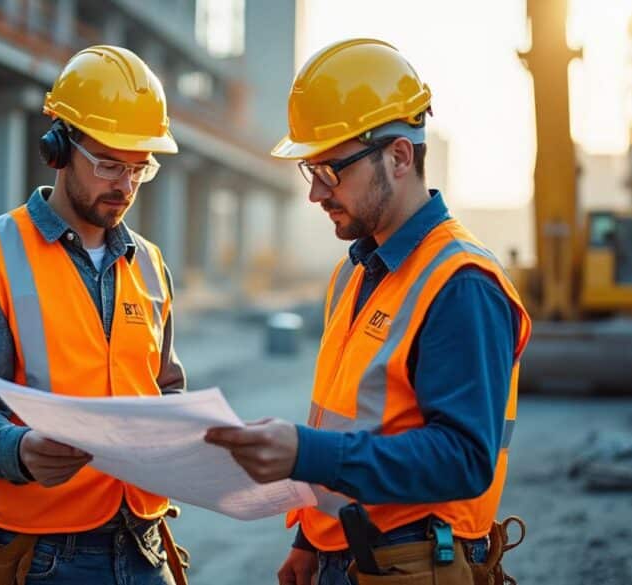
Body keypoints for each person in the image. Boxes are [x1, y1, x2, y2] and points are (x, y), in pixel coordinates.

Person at [205, 39, 532, 585]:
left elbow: (463, 459)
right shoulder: (355, 273)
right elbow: (353, 419)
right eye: (310, 171)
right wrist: (310, 540)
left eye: (330, 172)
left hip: (414, 568)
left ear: (400, 157)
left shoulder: (461, 285)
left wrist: (304, 454)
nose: (315, 194)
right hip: (350, 558)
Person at [0, 45, 188, 585]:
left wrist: (183, 433)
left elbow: (165, 387)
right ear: (58, 147)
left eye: (139, 169)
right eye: (108, 164)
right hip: (46, 559)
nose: (124, 186)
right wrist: (19, 450)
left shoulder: (149, 262)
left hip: (147, 550)